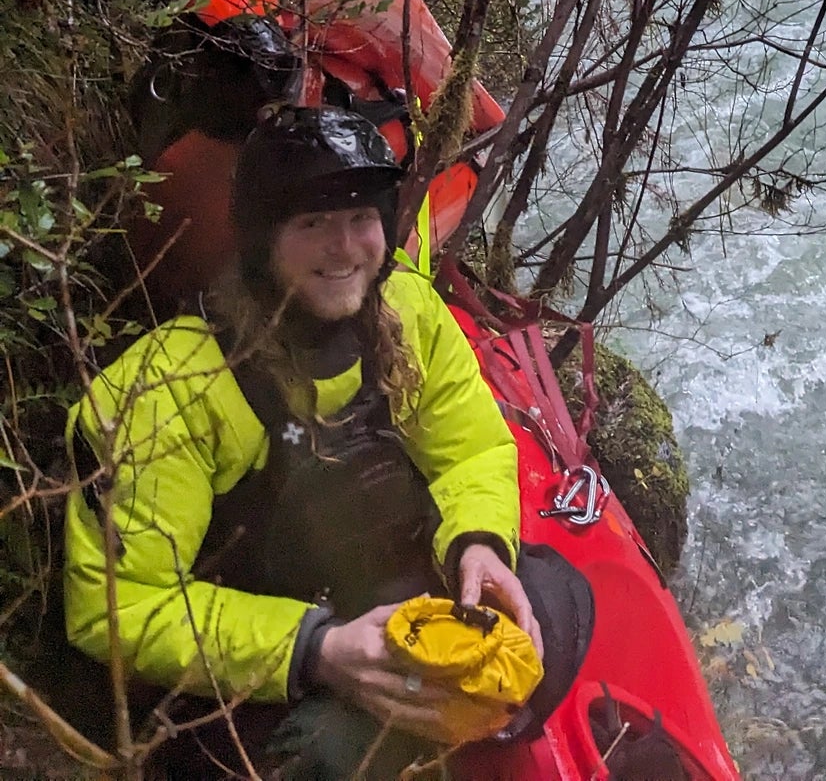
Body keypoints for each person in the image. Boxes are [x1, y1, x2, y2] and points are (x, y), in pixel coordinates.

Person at [64, 107, 545, 780]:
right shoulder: (162, 393)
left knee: (553, 608)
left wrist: (480, 544)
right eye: (312, 223)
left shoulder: (406, 308)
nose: (344, 248)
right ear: (262, 240)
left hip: (387, 597)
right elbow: (119, 607)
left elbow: (471, 450)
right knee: (332, 758)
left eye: (359, 219)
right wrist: (316, 648)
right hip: (263, 663)